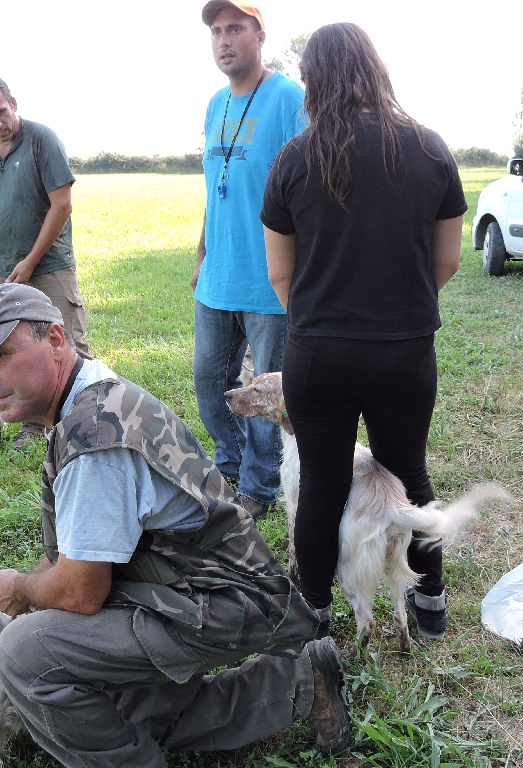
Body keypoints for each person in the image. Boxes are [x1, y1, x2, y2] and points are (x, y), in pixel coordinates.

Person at [0, 282, 353, 767]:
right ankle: (300, 683)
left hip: (221, 601)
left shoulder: (95, 439)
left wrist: (23, 590)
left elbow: (80, 592)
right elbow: (69, 555)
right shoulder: (90, 395)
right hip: (199, 588)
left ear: (53, 339)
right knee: (115, 706)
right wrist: (24, 587)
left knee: (25, 654)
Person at [259, 22, 467, 640]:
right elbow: (448, 261)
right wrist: (397, 308)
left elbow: (280, 274)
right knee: (409, 470)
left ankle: (316, 613)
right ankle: (430, 603)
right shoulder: (430, 149)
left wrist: (322, 319)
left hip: (318, 353)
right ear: (377, 69)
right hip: (404, 352)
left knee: (323, 481)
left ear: (313, 80)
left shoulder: (293, 159)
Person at [193, 1, 306, 520]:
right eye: (216, 31)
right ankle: (231, 462)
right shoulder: (216, 103)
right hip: (218, 276)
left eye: (235, 28)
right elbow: (217, 190)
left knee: (266, 389)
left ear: (260, 35)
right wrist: (202, 251)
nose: (223, 40)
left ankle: (258, 488)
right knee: (209, 380)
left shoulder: (289, 99)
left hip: (271, 281)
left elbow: (310, 186)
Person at [0, 75, 93, 450]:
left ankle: (86, 420)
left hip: (50, 266)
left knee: (66, 342)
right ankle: (33, 425)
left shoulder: (42, 140)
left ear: (13, 103)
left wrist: (32, 260)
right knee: (11, 350)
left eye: (1, 111)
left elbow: (62, 204)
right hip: (2, 267)